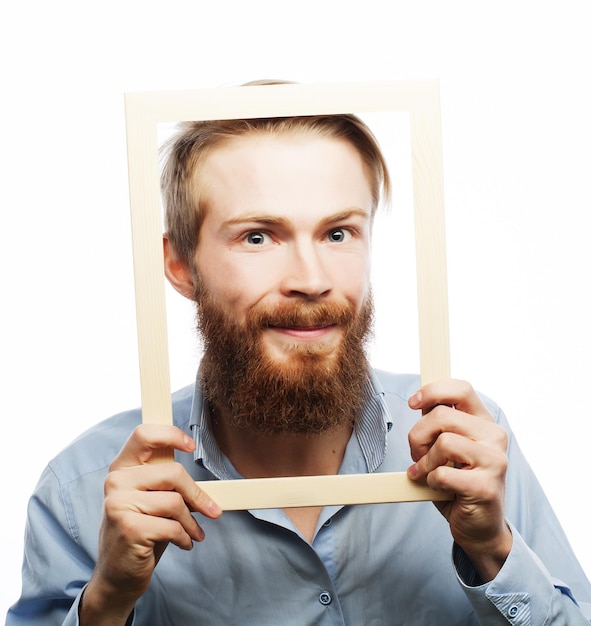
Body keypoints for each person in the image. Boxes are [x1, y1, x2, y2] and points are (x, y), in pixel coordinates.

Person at [7, 109, 591, 625]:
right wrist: (106, 604)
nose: (311, 280)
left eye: (339, 233)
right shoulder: (81, 492)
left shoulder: (469, 445)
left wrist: (493, 549)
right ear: (181, 264)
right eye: (259, 238)